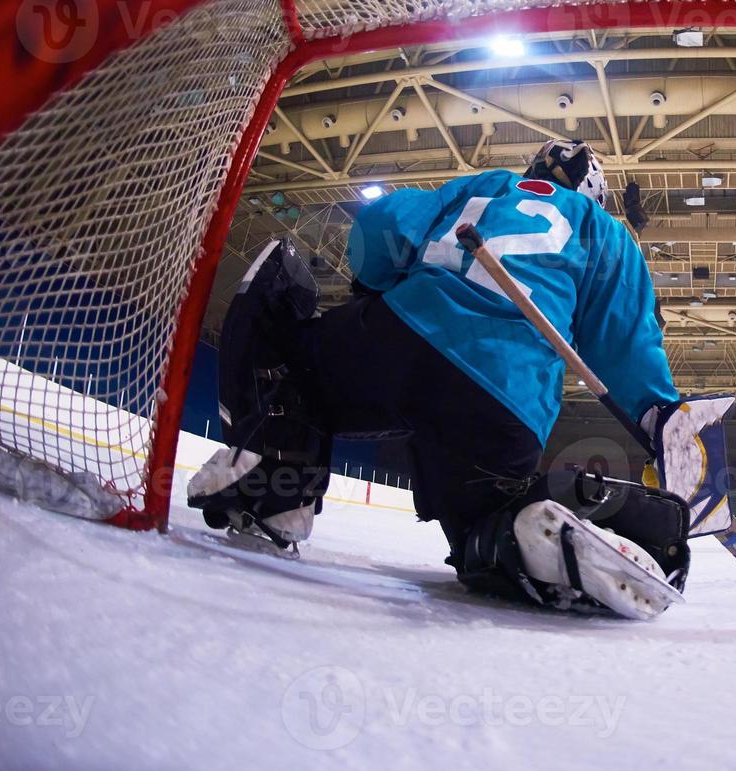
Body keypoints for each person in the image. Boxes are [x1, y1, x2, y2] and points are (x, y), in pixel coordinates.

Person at [188, 139, 694, 620]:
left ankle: (276, 492)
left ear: (535, 169)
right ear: (595, 195)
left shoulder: (485, 185)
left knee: (295, 366)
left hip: (400, 337)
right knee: (482, 524)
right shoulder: (604, 232)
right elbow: (624, 339)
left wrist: (375, 284)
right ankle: (516, 532)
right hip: (505, 397)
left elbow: (380, 224)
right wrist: (656, 414)